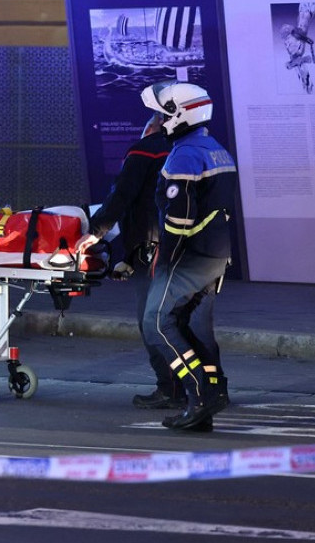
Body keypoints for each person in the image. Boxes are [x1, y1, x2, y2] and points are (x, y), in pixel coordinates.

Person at [139, 81, 238, 433]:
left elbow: (179, 219)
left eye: (161, 115)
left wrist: (165, 260)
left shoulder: (184, 155)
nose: (157, 121)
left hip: (189, 257)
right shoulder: (216, 150)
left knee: (156, 323)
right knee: (186, 325)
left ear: (180, 115)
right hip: (215, 256)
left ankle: (199, 394)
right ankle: (212, 392)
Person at [74, 98, 181, 410]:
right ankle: (203, 387)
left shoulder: (144, 150)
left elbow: (122, 196)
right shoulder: (188, 152)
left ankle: (170, 388)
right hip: (188, 250)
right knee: (183, 321)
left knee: (152, 321)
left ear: (155, 123)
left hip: (155, 251)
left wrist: (95, 232)